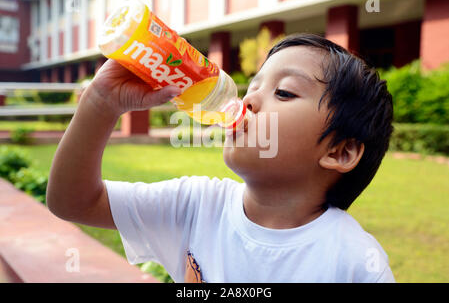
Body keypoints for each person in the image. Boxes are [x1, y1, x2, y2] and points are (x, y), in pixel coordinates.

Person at [47, 33, 395, 283]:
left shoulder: (355, 262)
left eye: (284, 92)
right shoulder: (196, 205)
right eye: (252, 88)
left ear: (340, 151)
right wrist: (99, 104)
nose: (248, 102)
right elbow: (74, 202)